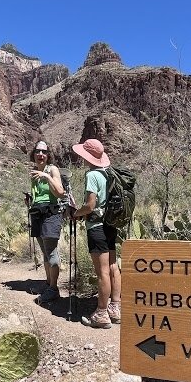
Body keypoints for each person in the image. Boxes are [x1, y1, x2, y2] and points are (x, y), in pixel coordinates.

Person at [69, 138, 122, 329]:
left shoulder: (92, 175)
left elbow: (90, 205)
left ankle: (101, 313)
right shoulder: (109, 174)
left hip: (97, 227)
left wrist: (76, 213)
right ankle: (115, 309)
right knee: (114, 267)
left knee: (102, 272)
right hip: (110, 225)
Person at [28, 140, 65, 304]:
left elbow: (60, 192)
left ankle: (54, 289)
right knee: (44, 252)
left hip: (51, 213)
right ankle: (48, 283)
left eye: (43, 152)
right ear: (33, 154)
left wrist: (46, 176)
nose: (40, 154)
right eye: (37, 151)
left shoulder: (52, 169)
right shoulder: (34, 171)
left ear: (48, 155)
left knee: (51, 251)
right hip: (37, 212)